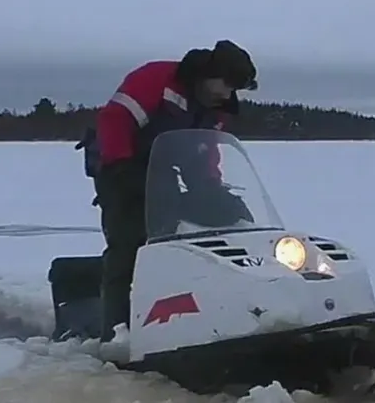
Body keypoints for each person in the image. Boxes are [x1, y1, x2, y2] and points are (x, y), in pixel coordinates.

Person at [85, 40, 258, 342]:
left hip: (164, 166)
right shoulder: (157, 79)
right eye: (225, 84)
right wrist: (121, 169)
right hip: (117, 162)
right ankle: (116, 332)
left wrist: (210, 187)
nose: (227, 94)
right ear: (209, 73)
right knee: (131, 238)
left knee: (228, 216)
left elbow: (205, 149)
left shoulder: (216, 108)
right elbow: (114, 121)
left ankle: (228, 306)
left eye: (234, 89)